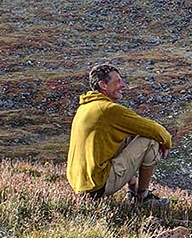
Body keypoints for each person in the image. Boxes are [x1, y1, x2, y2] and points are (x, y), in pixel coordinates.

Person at [66, 64, 172, 205]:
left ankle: (132, 188)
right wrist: (166, 143)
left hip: (80, 183)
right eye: (118, 81)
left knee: (126, 136)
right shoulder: (108, 110)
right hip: (97, 184)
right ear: (103, 85)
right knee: (151, 140)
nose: (123, 85)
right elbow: (155, 130)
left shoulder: (85, 107)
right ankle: (143, 197)